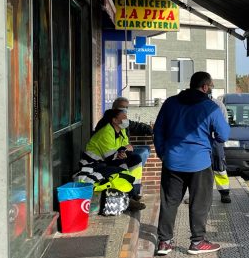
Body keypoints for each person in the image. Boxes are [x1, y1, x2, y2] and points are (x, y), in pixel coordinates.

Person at [154, 72, 231, 256]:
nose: (211, 89)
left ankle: (164, 243)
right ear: (204, 87)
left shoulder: (170, 103)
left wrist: (162, 153)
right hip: (200, 162)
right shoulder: (210, 107)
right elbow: (224, 135)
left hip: (172, 160)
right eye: (210, 86)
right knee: (199, 203)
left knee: (169, 202)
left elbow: (158, 130)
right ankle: (197, 242)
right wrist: (209, 142)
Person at [78, 108, 145, 211]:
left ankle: (135, 192)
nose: (126, 119)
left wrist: (124, 152)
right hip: (95, 164)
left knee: (136, 159)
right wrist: (123, 151)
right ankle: (126, 199)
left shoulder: (122, 130)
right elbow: (110, 157)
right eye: (124, 117)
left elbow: (126, 149)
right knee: (121, 170)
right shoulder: (105, 133)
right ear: (115, 120)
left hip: (110, 160)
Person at [112, 97, 153, 176]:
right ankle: (132, 175)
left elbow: (136, 126)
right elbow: (109, 148)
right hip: (119, 153)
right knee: (141, 155)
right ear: (114, 108)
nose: (124, 110)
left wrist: (152, 130)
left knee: (146, 148)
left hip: (125, 148)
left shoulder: (124, 121)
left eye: (126, 107)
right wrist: (124, 149)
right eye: (122, 107)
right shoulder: (109, 122)